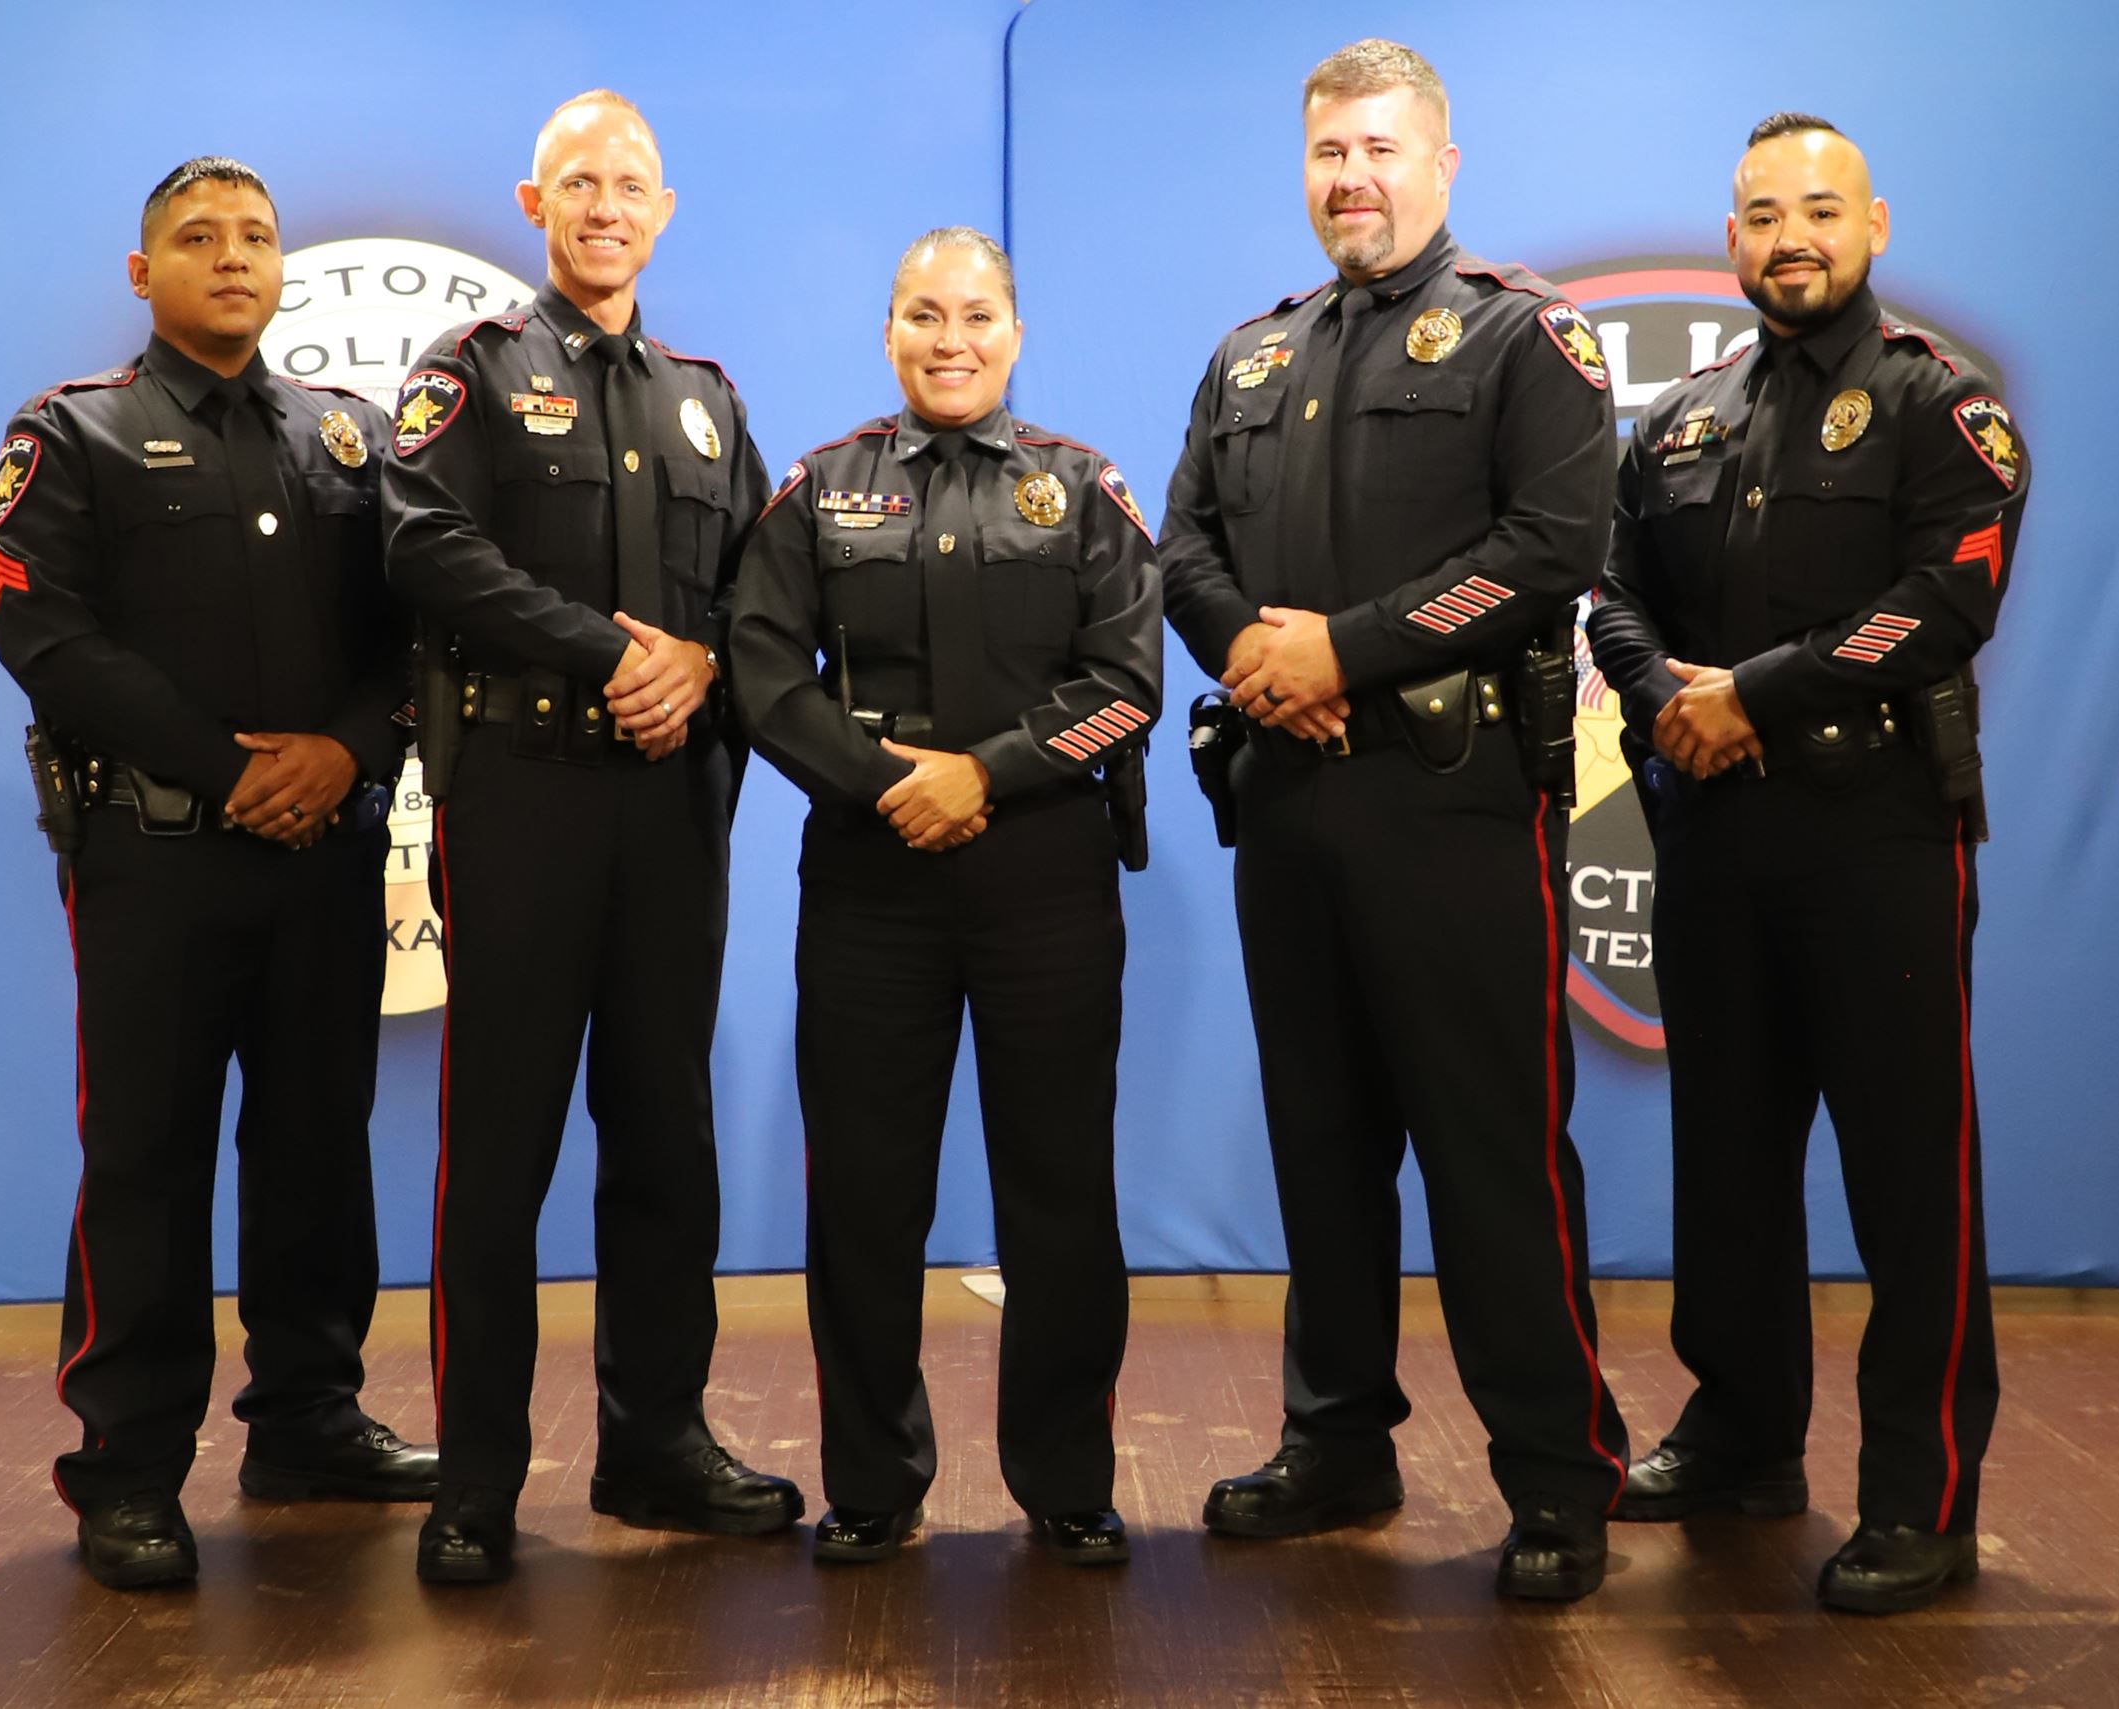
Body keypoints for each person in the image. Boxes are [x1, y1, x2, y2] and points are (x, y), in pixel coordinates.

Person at [1157, 39, 1630, 1600]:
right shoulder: (1251, 356)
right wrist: (1250, 653)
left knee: (1491, 1151)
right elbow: (1185, 551)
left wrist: (1341, 650)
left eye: (1376, 149)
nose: (1348, 177)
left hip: (1457, 805)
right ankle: (1338, 1436)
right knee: (1326, 1144)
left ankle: (1561, 1475)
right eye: (1326, 154)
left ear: (1440, 160)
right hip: (1289, 801)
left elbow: (1550, 550)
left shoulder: (1523, 337)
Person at [1588, 113, 2029, 1615]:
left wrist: (1750, 693)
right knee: (1727, 1161)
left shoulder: (1937, 403)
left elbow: (1945, 602)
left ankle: (1922, 1495)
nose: (1793, 236)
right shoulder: (1687, 419)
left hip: (1877, 834)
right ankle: (1744, 1433)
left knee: (1912, 1183)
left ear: (1875, 223)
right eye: (1764, 212)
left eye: (1821, 210)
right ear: (1732, 239)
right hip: (1717, 831)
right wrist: (1666, 702)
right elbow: (1613, 592)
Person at [0, 157, 437, 1591]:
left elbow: (414, 636)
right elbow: (44, 636)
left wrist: (348, 751)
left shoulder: (351, 441)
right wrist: (230, 765)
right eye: (197, 238)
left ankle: (306, 1416)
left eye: (254, 237)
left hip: (323, 855)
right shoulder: (77, 435)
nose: (231, 257)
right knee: (148, 1162)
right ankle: (125, 1467)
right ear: (143, 274)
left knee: (317, 1146)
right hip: (154, 861)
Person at [382, 89, 795, 1585]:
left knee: (665, 1141)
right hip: (523, 800)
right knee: (497, 1153)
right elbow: (424, 541)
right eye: (580, 183)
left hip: (670, 815)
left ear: (663, 210)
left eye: (630, 184)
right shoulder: (471, 374)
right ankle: (477, 1480)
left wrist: (698, 667)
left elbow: (766, 591)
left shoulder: (707, 397)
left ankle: (657, 1443)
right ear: (534, 201)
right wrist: (605, 653)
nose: (606, 205)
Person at [729, 227, 1159, 1567]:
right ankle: (871, 1481)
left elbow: (1129, 679)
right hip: (870, 880)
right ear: (889, 333)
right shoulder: (821, 487)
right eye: (924, 313)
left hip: (1041, 877)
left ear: (1016, 333)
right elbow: (757, 668)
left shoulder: (1084, 488)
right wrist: (881, 783)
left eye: (977, 314)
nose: (951, 338)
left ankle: (1069, 1481)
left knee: (1060, 1194)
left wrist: (984, 776)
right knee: (863, 1195)